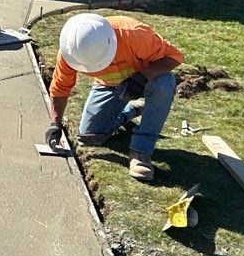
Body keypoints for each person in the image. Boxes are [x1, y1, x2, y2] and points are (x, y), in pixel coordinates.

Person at [46, 12, 183, 183]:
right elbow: (60, 88)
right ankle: (131, 109)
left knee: (164, 84)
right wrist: (55, 124)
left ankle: (141, 150)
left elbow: (174, 57)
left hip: (147, 80)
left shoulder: (133, 33)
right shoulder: (69, 52)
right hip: (110, 84)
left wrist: (141, 77)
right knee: (90, 137)